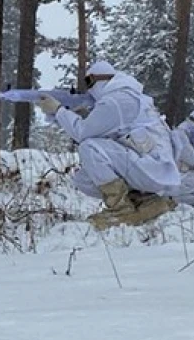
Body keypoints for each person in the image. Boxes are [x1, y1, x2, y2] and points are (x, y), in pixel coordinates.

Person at [37, 61, 180, 230]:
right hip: (156, 169)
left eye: (90, 83)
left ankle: (121, 210)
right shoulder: (130, 96)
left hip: (151, 167)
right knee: (84, 178)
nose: (89, 90)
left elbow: (83, 133)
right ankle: (147, 203)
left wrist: (59, 110)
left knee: (89, 148)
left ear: (101, 80)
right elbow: (104, 134)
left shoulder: (116, 100)